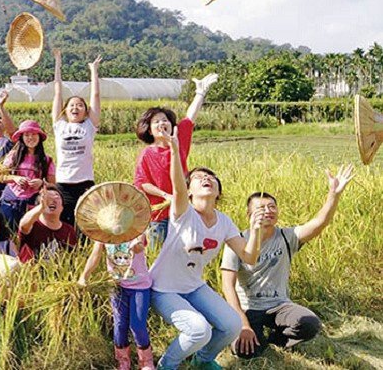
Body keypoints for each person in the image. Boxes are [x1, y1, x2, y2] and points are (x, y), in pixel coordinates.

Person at [148, 129, 262, 370]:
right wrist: (175, 150)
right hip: (163, 289)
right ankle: (167, 365)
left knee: (232, 325)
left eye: (211, 177)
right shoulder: (183, 213)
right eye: (198, 178)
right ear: (189, 192)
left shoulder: (225, 221)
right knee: (199, 330)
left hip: (193, 287)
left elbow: (250, 256)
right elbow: (178, 187)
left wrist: (256, 229)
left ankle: (203, 360)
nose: (206, 178)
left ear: (218, 191)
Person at [221, 165, 354, 359]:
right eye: (260, 208)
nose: (268, 211)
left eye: (272, 206)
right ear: (249, 216)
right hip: (247, 308)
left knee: (310, 324)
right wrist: (243, 324)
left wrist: (333, 194)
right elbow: (228, 286)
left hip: (279, 305)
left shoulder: (286, 236)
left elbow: (319, 223)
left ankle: (276, 341)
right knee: (243, 351)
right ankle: (254, 336)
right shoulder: (237, 240)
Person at [134, 74, 218, 247]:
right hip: (159, 216)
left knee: (187, 253)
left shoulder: (179, 142)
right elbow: (142, 183)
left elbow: (190, 118)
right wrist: (166, 196)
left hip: (184, 212)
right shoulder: (147, 154)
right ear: (149, 130)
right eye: (156, 122)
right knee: (159, 258)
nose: (161, 124)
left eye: (165, 120)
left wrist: (200, 93)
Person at [78, 235, 154, 370]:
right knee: (119, 324)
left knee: (137, 324)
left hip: (139, 286)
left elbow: (140, 245)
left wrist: (137, 246)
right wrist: (84, 276)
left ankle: (146, 361)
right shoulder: (104, 233)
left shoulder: (135, 229)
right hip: (117, 287)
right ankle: (123, 361)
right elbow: (95, 255)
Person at [51, 49, 102, 227]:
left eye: (80, 105)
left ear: (86, 111)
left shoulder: (89, 125)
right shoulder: (59, 125)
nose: (76, 107)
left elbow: (95, 96)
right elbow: (57, 92)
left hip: (85, 182)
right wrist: (58, 62)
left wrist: (93, 70)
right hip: (63, 183)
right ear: (65, 110)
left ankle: (86, 252)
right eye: (72, 105)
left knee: (87, 223)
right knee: (65, 223)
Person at [0, 120, 56, 231]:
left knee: (29, 233)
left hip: (34, 203)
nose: (30, 138)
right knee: (7, 232)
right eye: (27, 135)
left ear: (39, 137)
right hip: (11, 201)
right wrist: (15, 178)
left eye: (34, 134)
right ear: (22, 138)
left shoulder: (46, 160)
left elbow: (53, 185)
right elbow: (1, 177)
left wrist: (41, 183)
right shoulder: (13, 156)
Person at [18, 185, 78, 262]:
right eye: (48, 198)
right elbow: (23, 226)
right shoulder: (33, 224)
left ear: (62, 207)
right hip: (32, 272)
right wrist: (41, 207)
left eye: (56, 197)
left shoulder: (69, 230)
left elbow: (72, 257)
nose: (52, 200)